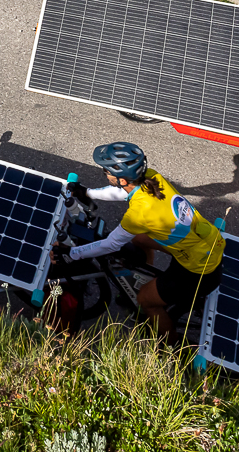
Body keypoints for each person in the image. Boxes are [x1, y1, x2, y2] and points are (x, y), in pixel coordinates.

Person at [58, 142, 224, 343]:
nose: (105, 173)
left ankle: (169, 347)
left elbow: (111, 245)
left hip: (198, 269)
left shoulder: (139, 214)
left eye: (106, 171)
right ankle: (143, 279)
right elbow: (125, 192)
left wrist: (72, 253)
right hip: (204, 243)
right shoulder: (152, 177)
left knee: (145, 300)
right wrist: (88, 193)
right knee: (138, 237)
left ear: (121, 179)